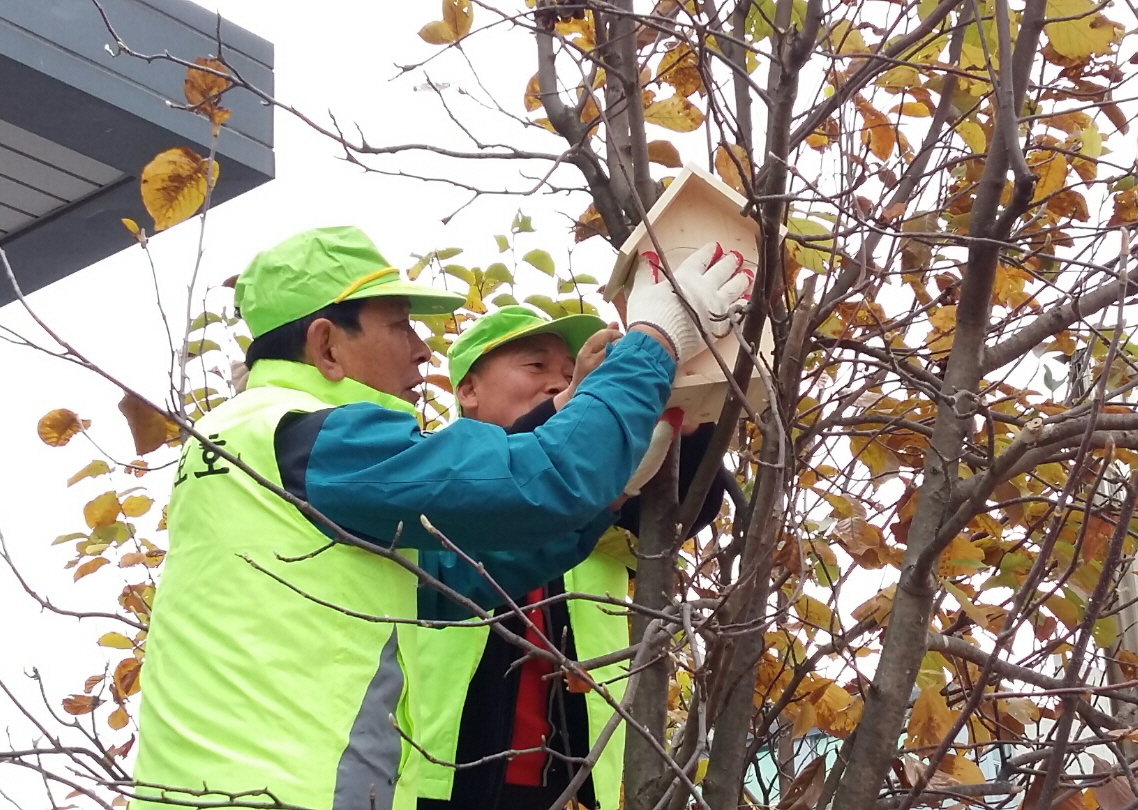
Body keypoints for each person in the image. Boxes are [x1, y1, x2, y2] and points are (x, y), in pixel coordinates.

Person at [130, 227, 750, 810]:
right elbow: (537, 480)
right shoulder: (310, 436)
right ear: (326, 344)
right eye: (401, 326)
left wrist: (612, 493)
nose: (424, 350)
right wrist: (655, 339)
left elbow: (459, 580)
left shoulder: (243, 437)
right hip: (298, 789)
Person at [416, 305, 727, 810]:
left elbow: (680, 509)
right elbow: (510, 480)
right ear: (468, 389)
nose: (560, 384)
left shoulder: (590, 490)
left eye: (569, 374)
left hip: (570, 779)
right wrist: (577, 408)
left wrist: (688, 416)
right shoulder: (430, 473)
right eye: (536, 367)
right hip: (439, 775)